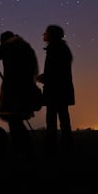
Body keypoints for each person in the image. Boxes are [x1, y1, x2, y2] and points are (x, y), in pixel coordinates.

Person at [0, 31, 39, 161]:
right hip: (26, 91)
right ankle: (25, 151)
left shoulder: (10, 46)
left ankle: (22, 152)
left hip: (14, 92)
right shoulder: (25, 46)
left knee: (14, 122)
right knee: (16, 121)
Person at [37, 24, 75, 157]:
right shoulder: (61, 48)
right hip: (61, 92)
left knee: (52, 123)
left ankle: (51, 152)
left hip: (55, 92)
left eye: (46, 32)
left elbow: (54, 73)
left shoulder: (55, 49)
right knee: (64, 121)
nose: (43, 34)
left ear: (52, 35)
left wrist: (42, 78)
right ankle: (66, 149)